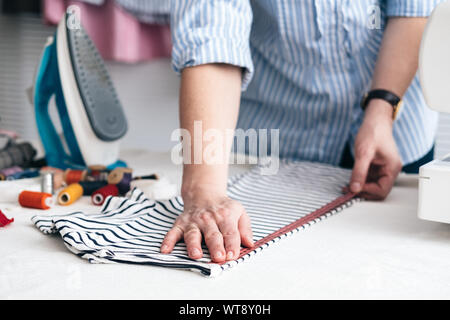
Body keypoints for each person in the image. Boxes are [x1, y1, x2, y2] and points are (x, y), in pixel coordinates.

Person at [160, 1, 443, 263]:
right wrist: (205, 191)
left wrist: (383, 109)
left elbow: (413, 6)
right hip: (276, 146)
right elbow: (214, 32)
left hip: (397, 132)